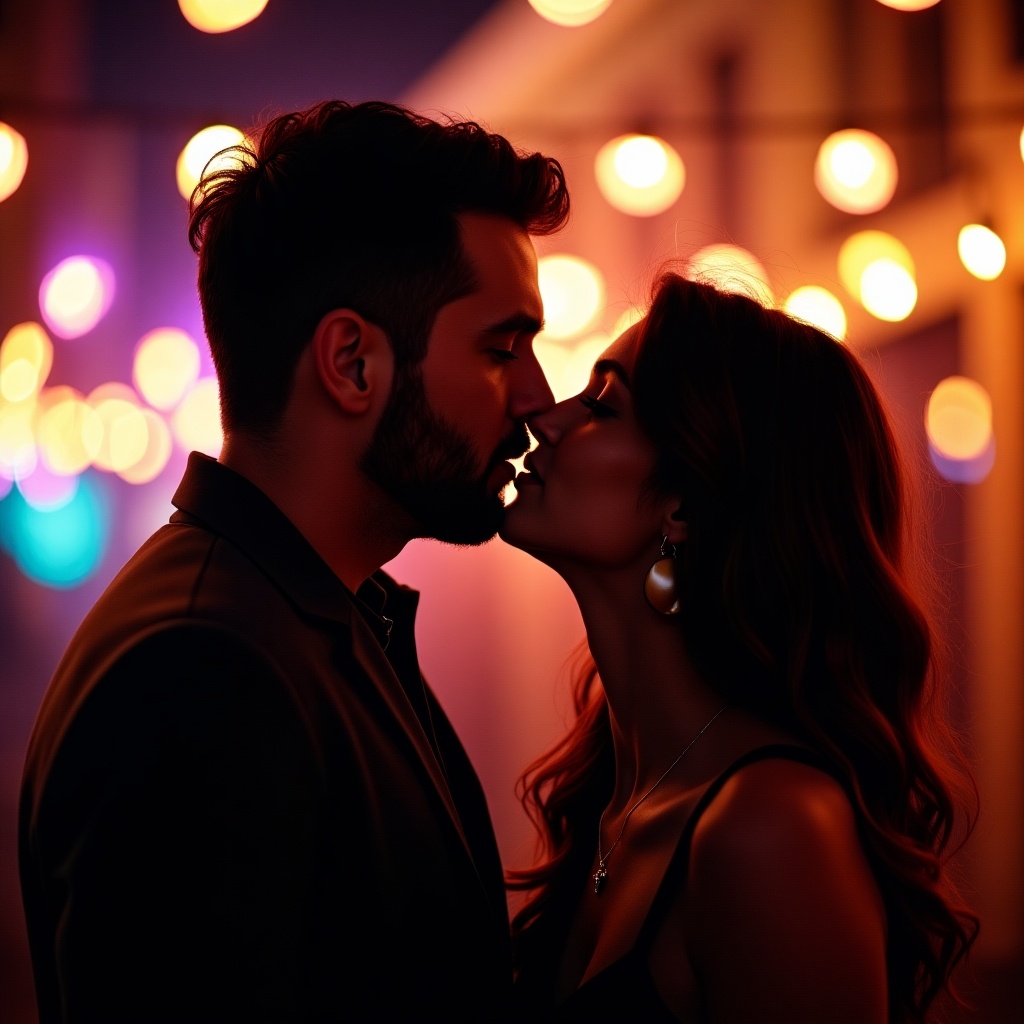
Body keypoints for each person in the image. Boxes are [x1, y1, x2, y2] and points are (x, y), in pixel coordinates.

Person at [19, 99, 569, 1023]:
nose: (537, 394)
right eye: (500, 347)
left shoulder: (315, 617)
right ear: (351, 363)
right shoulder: (201, 669)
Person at [501, 273, 979, 1023]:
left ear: (684, 504)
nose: (545, 420)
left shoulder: (772, 828)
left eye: (602, 405)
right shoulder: (613, 797)